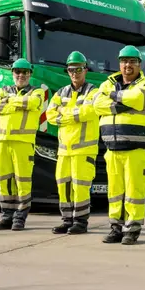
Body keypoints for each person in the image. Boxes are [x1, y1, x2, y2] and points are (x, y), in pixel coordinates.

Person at [93, 46, 145, 245]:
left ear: (140, 65)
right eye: (124, 61)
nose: (127, 65)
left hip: (136, 149)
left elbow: (138, 98)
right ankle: (115, 228)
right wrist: (121, 102)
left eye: (132, 61)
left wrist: (112, 98)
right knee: (114, 192)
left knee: (134, 192)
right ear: (119, 63)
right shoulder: (109, 83)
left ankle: (132, 229)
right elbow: (96, 103)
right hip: (112, 149)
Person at [0, 58, 48, 231]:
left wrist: (8, 102)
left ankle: (20, 217)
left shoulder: (36, 92)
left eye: (24, 72)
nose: (21, 75)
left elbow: (32, 103)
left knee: (23, 181)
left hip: (23, 143)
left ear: (30, 74)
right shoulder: (3, 90)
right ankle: (7, 216)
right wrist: (17, 104)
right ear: (12, 73)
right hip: (2, 142)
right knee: (5, 181)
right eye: (17, 72)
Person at [47, 51, 100, 235]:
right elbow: (50, 115)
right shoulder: (61, 92)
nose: (75, 73)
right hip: (64, 151)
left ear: (85, 70)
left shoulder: (94, 91)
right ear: (67, 71)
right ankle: (67, 220)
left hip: (84, 150)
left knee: (81, 187)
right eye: (71, 70)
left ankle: (80, 221)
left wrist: (66, 114)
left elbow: (91, 111)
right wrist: (75, 115)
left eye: (79, 69)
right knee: (64, 185)